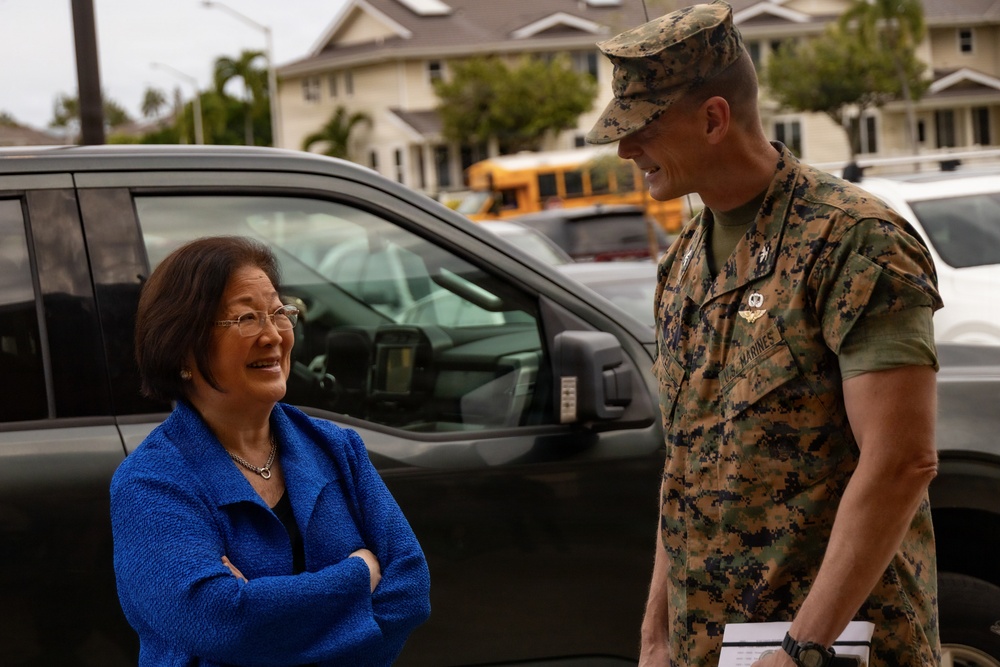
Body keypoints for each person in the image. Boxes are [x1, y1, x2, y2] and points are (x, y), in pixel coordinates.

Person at [586, 3, 942, 666]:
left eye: (642, 129)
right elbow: (684, 464)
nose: (625, 149)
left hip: (836, 646)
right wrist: (656, 630)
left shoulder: (854, 241)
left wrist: (802, 646)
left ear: (714, 118)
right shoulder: (682, 261)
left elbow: (901, 462)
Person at [110, 236, 430, 666]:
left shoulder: (335, 447)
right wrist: (357, 576)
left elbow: (410, 591)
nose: (273, 335)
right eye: (246, 318)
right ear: (182, 348)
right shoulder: (151, 483)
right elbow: (220, 619)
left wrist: (262, 616)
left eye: (280, 312)